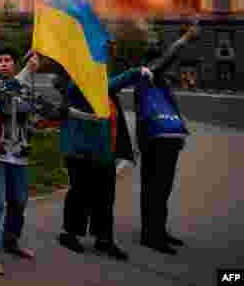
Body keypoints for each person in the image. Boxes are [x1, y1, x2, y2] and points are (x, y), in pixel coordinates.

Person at [0, 48, 63, 276]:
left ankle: (11, 241)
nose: (3, 63)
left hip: (19, 154)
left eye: (8, 60)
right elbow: (1, 98)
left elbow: (31, 114)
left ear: (14, 64)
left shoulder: (24, 87)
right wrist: (27, 70)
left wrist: (49, 115)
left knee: (19, 202)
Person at [57, 53, 152, 261]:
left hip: (104, 152)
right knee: (80, 194)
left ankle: (104, 239)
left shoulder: (103, 89)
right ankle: (70, 234)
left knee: (105, 198)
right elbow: (108, 85)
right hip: (79, 152)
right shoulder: (76, 85)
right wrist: (135, 72)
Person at [136, 21, 200, 254]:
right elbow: (165, 61)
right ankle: (152, 235)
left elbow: (172, 111)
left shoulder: (158, 81)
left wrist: (179, 134)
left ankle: (156, 231)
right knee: (157, 188)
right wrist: (184, 39)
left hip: (165, 140)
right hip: (156, 142)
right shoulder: (148, 75)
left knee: (159, 188)